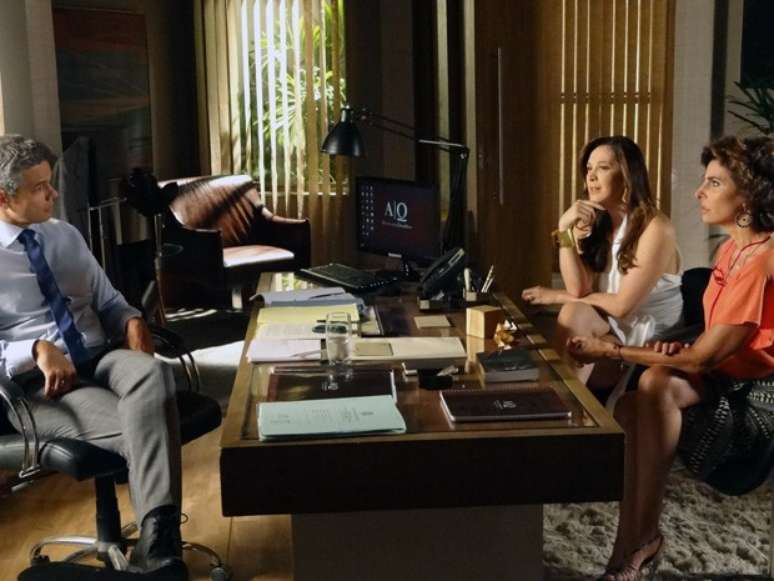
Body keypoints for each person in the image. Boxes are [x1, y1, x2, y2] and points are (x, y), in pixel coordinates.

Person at [568, 135, 774, 580]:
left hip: (755, 394)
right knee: (628, 406)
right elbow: (713, 343)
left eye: (714, 183)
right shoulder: (731, 249)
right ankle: (629, 548)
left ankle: (641, 542)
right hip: (721, 373)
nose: (699, 192)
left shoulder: (761, 262)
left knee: (656, 382)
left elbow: (704, 362)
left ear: (748, 197)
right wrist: (681, 348)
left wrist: (610, 350)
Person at [0, 135, 185, 577]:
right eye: (40, 187)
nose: (53, 193)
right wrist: (35, 349)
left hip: (100, 356)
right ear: (4, 198)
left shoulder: (64, 235)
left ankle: (156, 551)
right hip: (41, 389)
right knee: (150, 419)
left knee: (152, 375)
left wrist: (132, 320)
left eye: (51, 182)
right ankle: (161, 547)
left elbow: (109, 301)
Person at [522, 136, 682, 395]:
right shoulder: (597, 224)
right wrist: (564, 230)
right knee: (573, 314)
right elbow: (578, 290)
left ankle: (558, 404)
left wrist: (556, 296)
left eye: (603, 167)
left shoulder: (656, 228)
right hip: (616, 328)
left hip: (651, 340)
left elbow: (622, 306)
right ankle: (561, 403)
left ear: (627, 176)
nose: (591, 176)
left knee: (572, 313)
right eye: (589, 169)